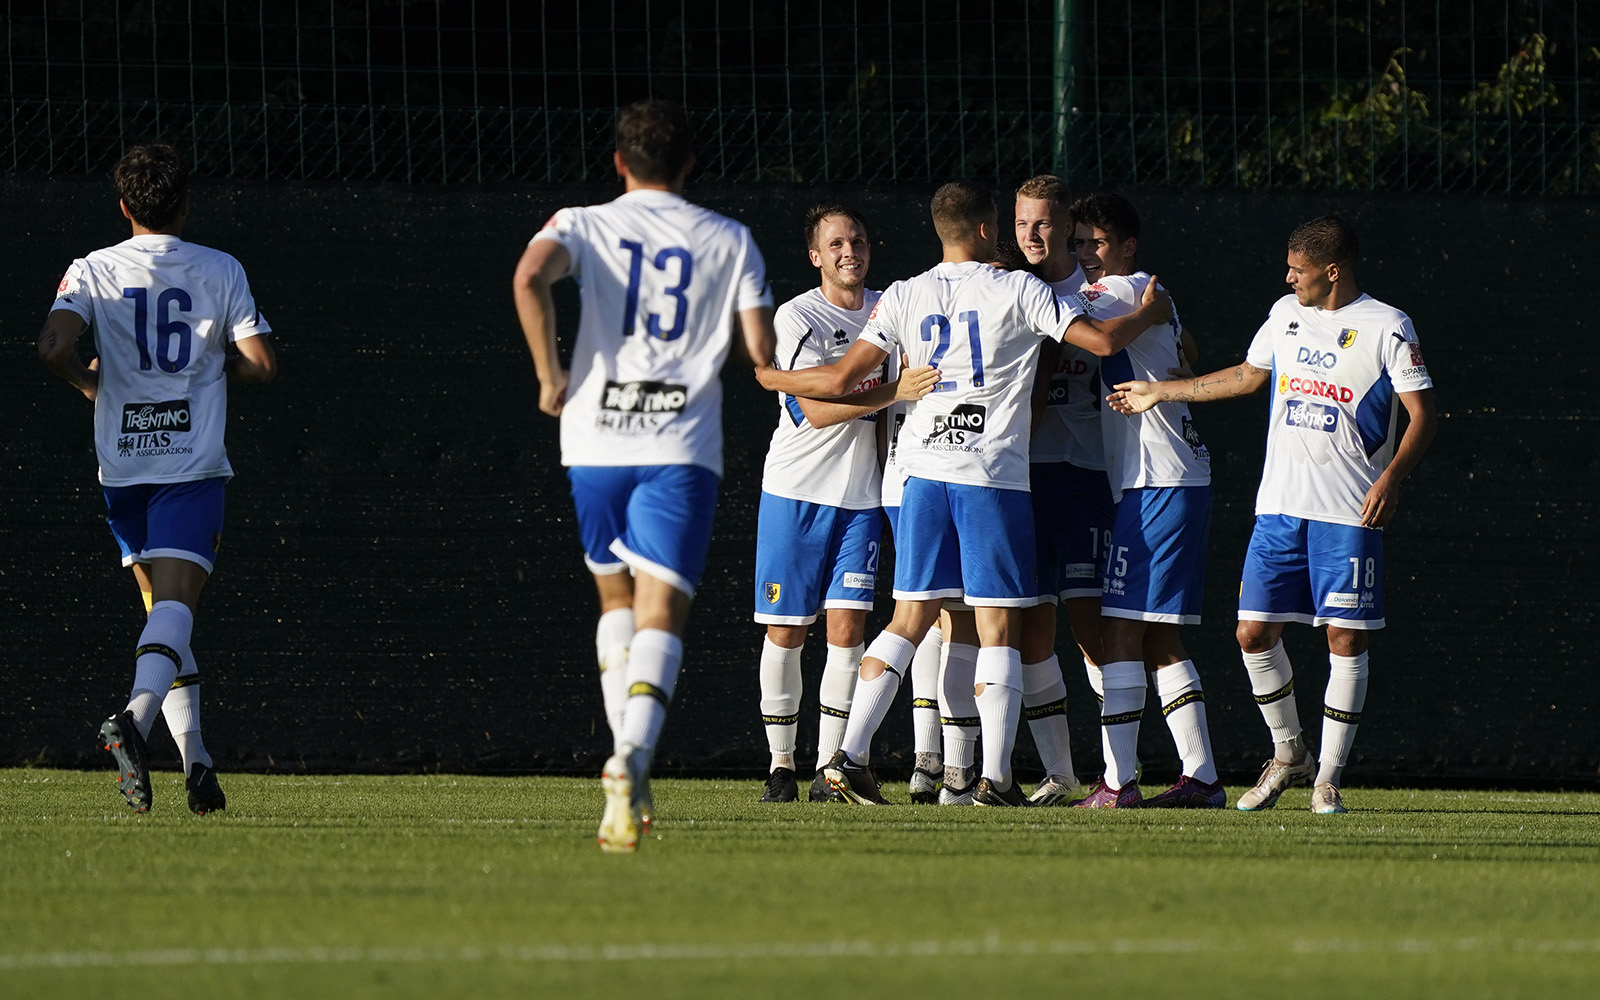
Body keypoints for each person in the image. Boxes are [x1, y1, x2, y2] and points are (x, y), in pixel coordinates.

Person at [759, 181, 1170, 807]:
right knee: (997, 627)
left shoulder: (902, 293)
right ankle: (995, 778)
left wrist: (770, 376)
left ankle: (847, 757)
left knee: (908, 620)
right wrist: (1149, 312)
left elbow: (842, 378)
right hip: (990, 474)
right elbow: (1104, 343)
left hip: (920, 472)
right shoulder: (1018, 288)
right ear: (986, 231)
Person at [513, 99, 777, 851]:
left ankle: (628, 767)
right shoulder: (729, 238)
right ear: (691, 163)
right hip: (678, 445)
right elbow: (758, 350)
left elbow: (530, 276)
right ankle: (631, 753)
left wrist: (549, 372)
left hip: (594, 439)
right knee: (662, 609)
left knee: (615, 597)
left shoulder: (581, 221)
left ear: (620, 163)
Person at [1107, 215, 1437, 814]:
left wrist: (1392, 478)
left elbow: (1424, 416)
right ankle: (1288, 754)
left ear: (1331, 272)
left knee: (1345, 638)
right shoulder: (1284, 314)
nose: (1288, 277)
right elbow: (1244, 376)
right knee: (1252, 633)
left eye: (1299, 269)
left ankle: (1328, 779)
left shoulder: (1389, 325)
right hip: (1279, 510)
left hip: (1348, 511)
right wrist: (1160, 392)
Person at [37, 140, 278, 816]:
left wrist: (87, 381)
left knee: (163, 618)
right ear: (185, 203)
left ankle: (197, 763)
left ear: (123, 207)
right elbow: (261, 363)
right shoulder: (218, 268)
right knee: (176, 607)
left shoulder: (90, 269)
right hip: (187, 465)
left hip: (122, 465)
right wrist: (217, 367)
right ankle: (135, 725)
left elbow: (52, 345)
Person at [753, 204, 936, 803]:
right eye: (834, 244)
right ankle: (782, 766)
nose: (847, 251)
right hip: (796, 493)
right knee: (786, 631)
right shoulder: (798, 315)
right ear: (815, 256)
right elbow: (811, 411)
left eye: (856, 240)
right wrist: (889, 390)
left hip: (862, 499)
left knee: (849, 630)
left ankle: (832, 769)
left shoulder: (891, 306)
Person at [1068, 191, 1222, 808]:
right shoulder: (1146, 294)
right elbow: (1190, 352)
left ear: (1127, 248)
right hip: (1166, 475)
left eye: (1093, 243)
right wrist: (1160, 315)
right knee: (1158, 638)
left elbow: (1094, 335)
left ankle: (1117, 783)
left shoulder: (1123, 290)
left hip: (1159, 479)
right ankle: (1203, 776)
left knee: (1122, 629)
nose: (1083, 253)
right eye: (1076, 242)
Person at [1012, 176, 1112, 806]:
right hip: (1014, 481)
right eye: (1022, 223)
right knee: (1027, 630)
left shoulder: (1100, 297)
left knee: (1090, 628)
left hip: (1084, 478)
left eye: (1044, 224)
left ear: (1067, 225)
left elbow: (1171, 351)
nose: (1032, 236)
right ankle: (1061, 773)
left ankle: (1116, 770)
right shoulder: (1002, 290)